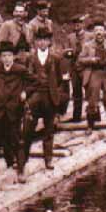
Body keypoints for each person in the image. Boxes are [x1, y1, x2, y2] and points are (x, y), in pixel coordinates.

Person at [0, 40, 32, 180]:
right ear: (0, 57)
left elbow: (34, 82)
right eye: (4, 56)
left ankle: (21, 171)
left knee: (17, 141)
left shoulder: (20, 70)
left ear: (14, 56)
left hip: (13, 110)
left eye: (9, 55)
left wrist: (25, 92)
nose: (6, 59)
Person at [21, 26, 68, 172]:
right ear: (35, 42)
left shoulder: (56, 58)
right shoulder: (29, 59)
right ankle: (23, 159)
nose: (41, 43)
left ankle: (48, 159)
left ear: (49, 42)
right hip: (34, 96)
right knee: (28, 130)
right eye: (39, 40)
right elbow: (24, 79)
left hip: (50, 97)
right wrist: (25, 94)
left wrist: (60, 101)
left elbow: (62, 82)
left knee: (48, 131)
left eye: (44, 40)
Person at [77, 21, 106, 134]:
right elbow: (80, 60)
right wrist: (91, 60)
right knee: (92, 100)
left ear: (104, 32)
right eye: (96, 30)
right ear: (93, 32)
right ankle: (90, 126)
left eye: (101, 30)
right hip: (94, 73)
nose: (99, 33)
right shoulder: (87, 45)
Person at [62, 16, 85, 121]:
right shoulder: (70, 37)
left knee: (91, 91)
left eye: (79, 24)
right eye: (75, 24)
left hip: (86, 67)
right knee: (76, 92)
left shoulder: (89, 36)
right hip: (74, 67)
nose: (77, 26)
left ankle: (94, 115)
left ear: (82, 24)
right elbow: (66, 51)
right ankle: (77, 116)